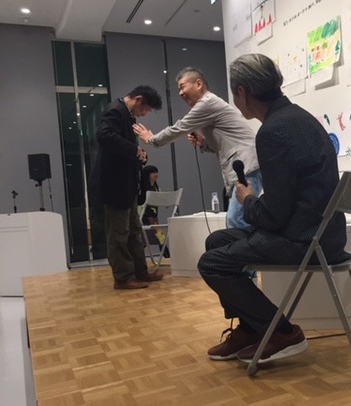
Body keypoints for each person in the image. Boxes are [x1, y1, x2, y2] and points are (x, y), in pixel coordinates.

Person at [198, 53, 350, 364]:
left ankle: (281, 332)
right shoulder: (299, 118)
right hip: (326, 235)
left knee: (212, 263)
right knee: (216, 241)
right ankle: (251, 329)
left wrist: (248, 199)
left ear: (242, 93)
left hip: (304, 241)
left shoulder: (272, 132)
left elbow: (273, 215)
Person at [133, 67, 262, 229]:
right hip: (246, 165)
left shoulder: (207, 103)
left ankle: (255, 246)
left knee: (237, 221)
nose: (180, 93)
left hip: (246, 166)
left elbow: (180, 127)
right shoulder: (210, 103)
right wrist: (204, 143)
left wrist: (151, 139)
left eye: (182, 87)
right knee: (238, 221)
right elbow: (227, 143)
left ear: (199, 84)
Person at [91, 85, 165, 290]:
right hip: (114, 186)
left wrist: (140, 154)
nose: (145, 114)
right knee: (119, 233)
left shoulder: (127, 115)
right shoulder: (115, 110)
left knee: (134, 231)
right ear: (138, 99)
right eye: (146, 109)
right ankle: (123, 277)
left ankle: (139, 271)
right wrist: (134, 150)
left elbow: (124, 148)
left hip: (126, 185)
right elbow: (105, 136)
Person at [138, 165, 170, 258]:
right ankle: (168, 257)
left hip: (154, 217)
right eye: (153, 173)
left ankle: (138, 256)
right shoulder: (143, 189)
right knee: (160, 238)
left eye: (157, 172)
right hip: (146, 216)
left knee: (146, 239)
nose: (156, 175)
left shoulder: (156, 188)